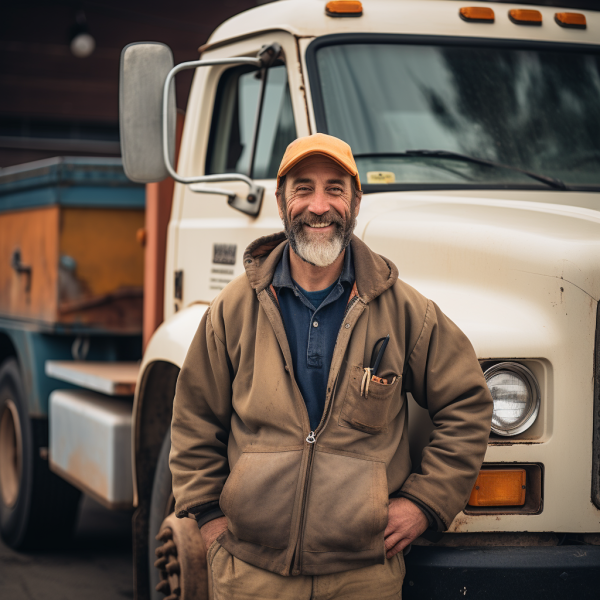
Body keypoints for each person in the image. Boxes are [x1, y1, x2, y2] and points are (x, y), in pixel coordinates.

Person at [169, 133, 493, 599]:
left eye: (335, 189)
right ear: (281, 202)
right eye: (303, 188)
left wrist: (426, 503)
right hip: (250, 573)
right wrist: (208, 519)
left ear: (355, 201)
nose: (319, 205)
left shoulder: (405, 311)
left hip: (365, 574)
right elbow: (194, 415)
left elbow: (467, 402)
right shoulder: (233, 309)